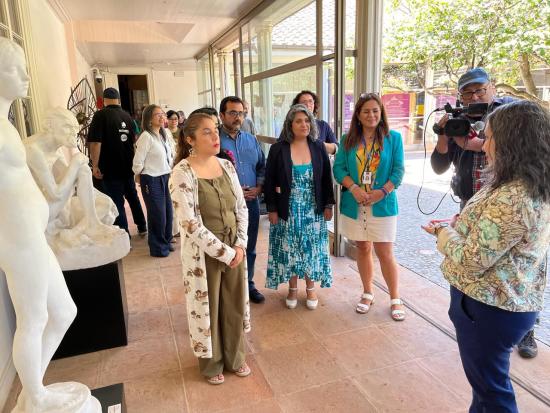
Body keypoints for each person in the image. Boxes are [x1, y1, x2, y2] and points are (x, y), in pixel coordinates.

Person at [422, 100, 550, 413]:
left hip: (489, 309)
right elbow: (499, 237)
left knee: (493, 394)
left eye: (490, 137)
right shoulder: (524, 184)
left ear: (511, 143)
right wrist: (462, 224)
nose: (484, 144)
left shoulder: (514, 196)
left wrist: (443, 233)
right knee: (485, 390)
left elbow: (471, 259)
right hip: (499, 306)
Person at [0, 37, 89, 411]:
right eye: (11, 68)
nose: (24, 75)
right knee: (33, 318)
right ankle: (34, 396)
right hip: (18, 239)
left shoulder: (5, 123)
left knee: (64, 312)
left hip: (31, 235)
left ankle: (32, 388)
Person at [430, 67, 537, 358]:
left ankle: (524, 330)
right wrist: (444, 135)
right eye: (468, 92)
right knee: (480, 264)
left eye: (480, 89)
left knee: (518, 267)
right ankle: (477, 316)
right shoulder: (459, 121)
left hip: (509, 202)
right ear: (460, 96)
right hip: (473, 202)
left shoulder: (509, 115)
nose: (475, 96)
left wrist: (480, 140)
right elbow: (439, 166)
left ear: (492, 87)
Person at [170, 113, 251, 385]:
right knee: (210, 307)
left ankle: (235, 356)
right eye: (206, 132)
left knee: (234, 304)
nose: (215, 136)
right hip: (204, 253)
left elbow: (241, 207)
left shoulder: (227, 166)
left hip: (234, 247)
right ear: (189, 138)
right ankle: (211, 362)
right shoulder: (182, 173)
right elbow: (191, 223)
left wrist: (240, 244)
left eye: (215, 130)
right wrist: (226, 253)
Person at [333, 93, 405, 320]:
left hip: (382, 203)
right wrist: (354, 189)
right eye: (366, 111)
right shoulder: (347, 140)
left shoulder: (393, 138)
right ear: (358, 115)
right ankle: (367, 292)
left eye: (375, 110)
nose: (371, 115)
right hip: (355, 202)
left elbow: (398, 171)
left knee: (385, 252)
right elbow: (339, 169)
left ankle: (395, 298)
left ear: (381, 112)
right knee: (363, 248)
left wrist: (381, 192)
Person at [264, 104, 334, 309]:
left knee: (311, 248)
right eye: (298, 121)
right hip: (288, 209)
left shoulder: (319, 146)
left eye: (306, 120)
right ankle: (293, 288)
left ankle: (311, 288)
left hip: (313, 209)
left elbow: (326, 180)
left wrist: (328, 205)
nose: (303, 124)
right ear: (290, 124)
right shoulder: (278, 149)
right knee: (290, 248)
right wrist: (272, 209)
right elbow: (269, 181)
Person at [219, 96, 266, 304]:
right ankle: (229, 288)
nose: (238, 117)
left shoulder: (251, 140)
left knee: (250, 246)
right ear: (222, 115)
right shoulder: (215, 141)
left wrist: (258, 188)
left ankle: (248, 284)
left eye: (241, 113)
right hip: (225, 205)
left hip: (251, 203)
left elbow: (262, 167)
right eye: (233, 113)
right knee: (227, 246)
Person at [88, 87, 147, 236]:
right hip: (128, 165)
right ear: (119, 100)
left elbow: (95, 143)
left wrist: (94, 165)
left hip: (110, 166)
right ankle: (142, 226)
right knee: (133, 196)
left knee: (116, 200)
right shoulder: (128, 117)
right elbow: (135, 141)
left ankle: (124, 233)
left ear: (103, 100)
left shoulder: (100, 116)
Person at [133, 105, 174, 257]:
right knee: (158, 214)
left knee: (168, 213)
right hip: (151, 179)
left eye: (163, 114)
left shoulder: (162, 135)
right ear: (149, 119)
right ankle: (158, 248)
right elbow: (137, 161)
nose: (162, 117)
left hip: (165, 176)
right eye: (158, 115)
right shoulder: (146, 137)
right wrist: (138, 174)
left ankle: (166, 241)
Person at [292, 90, 338, 155]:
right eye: (304, 102)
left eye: (310, 101)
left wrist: (319, 144)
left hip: (319, 164)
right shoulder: (291, 124)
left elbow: (337, 148)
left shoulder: (323, 125)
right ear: (297, 105)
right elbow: (280, 145)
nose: (308, 105)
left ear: (314, 104)